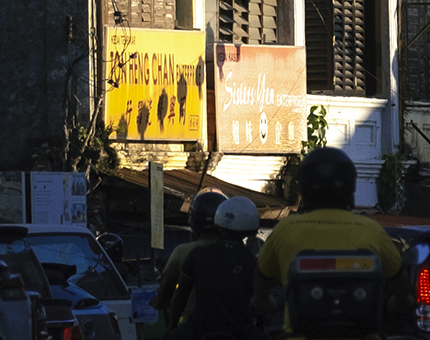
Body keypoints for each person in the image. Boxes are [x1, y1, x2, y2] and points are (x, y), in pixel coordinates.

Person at [257, 145, 411, 339]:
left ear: (304, 187)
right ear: (350, 187)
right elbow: (399, 280)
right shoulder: (372, 230)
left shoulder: (285, 230)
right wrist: (401, 302)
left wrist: (263, 302)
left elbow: (262, 281)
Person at [161, 190, 265, 340]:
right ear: (253, 228)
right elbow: (259, 303)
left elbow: (180, 295)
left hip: (199, 329)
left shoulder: (197, 254)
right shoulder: (252, 260)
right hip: (242, 331)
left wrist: (171, 326)